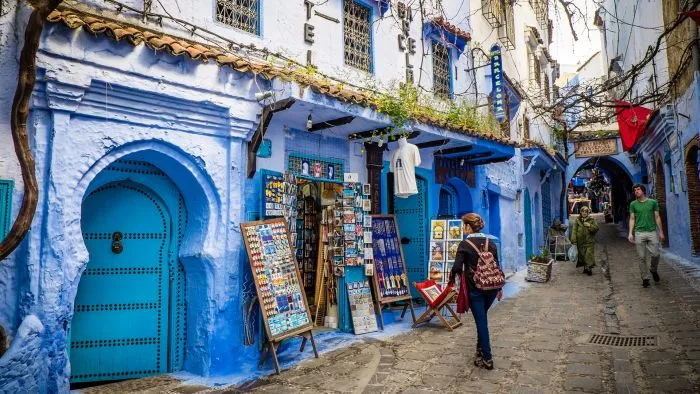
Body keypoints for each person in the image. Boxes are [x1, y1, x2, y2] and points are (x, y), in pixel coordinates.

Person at [449, 213, 502, 370]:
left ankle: (487, 358)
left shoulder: (465, 245)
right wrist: (499, 288)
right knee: (482, 318)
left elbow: (457, 268)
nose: (462, 228)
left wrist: (453, 280)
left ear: (468, 226)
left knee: (481, 322)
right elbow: (497, 265)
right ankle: (479, 352)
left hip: (475, 289)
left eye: (463, 225)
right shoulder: (491, 243)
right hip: (491, 288)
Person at [628, 184, 665, 288]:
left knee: (656, 254)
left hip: (652, 232)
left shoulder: (652, 203)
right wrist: (630, 233)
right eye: (635, 190)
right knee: (641, 257)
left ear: (643, 191)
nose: (636, 191)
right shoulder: (633, 204)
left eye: (638, 189)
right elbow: (632, 219)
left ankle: (653, 270)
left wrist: (661, 232)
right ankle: (645, 278)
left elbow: (657, 217)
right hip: (639, 233)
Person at [570, 206, 599, 275]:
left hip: (589, 241)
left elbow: (596, 228)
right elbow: (574, 230)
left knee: (588, 255)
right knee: (582, 255)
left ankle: (589, 269)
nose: (584, 213)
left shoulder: (592, 220)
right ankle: (585, 268)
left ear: (588, 212)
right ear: (581, 212)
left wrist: (589, 225)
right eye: (583, 211)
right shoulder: (577, 220)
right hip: (580, 242)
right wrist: (573, 240)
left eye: (586, 212)